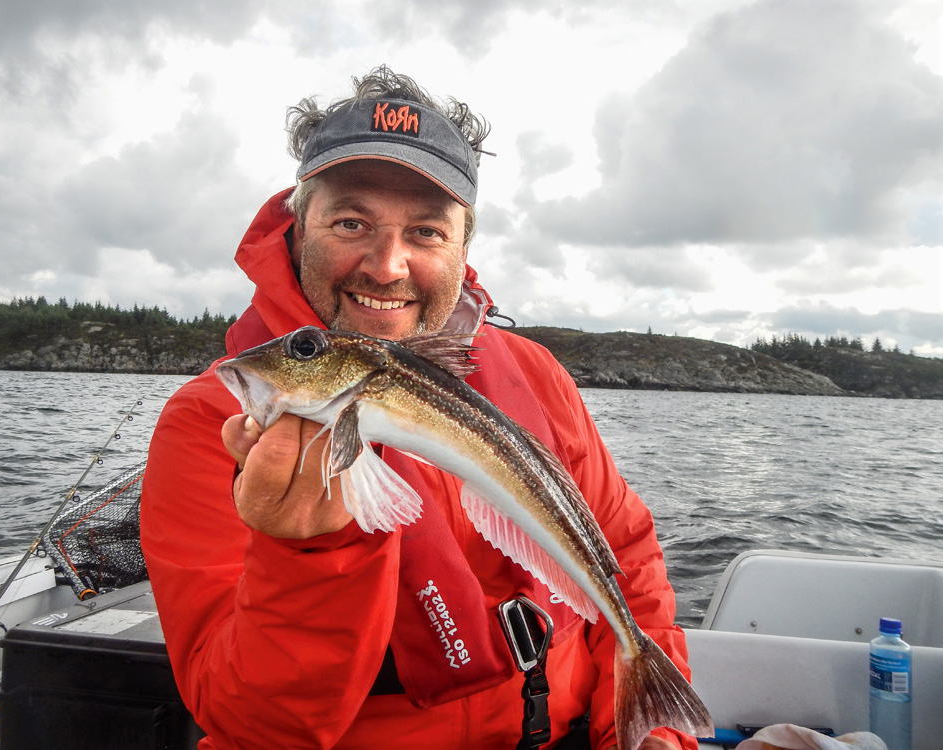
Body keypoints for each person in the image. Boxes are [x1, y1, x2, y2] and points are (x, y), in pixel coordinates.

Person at [141, 66, 698, 750]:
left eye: (428, 232)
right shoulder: (211, 423)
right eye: (351, 221)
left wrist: (650, 735)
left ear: (464, 248)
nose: (387, 265)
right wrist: (308, 556)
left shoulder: (533, 374)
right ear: (298, 227)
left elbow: (627, 554)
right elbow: (253, 724)